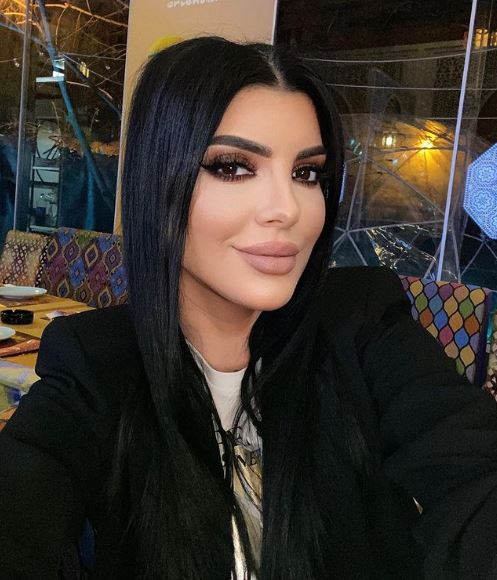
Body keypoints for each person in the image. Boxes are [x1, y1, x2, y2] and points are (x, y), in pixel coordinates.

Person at [1, 36, 497, 580]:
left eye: (307, 174)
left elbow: (473, 468)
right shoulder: (94, 362)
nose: (287, 209)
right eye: (234, 167)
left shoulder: (364, 326)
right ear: (159, 181)